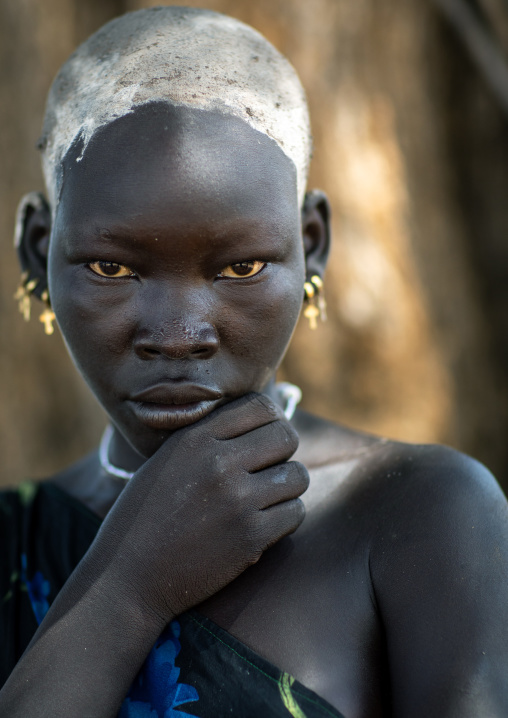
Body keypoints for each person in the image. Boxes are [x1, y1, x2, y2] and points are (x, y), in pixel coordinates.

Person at [1, 6, 508, 718]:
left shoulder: (422, 515)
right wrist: (126, 589)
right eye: (112, 269)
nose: (178, 335)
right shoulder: (12, 545)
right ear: (36, 253)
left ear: (312, 245)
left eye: (240, 267)